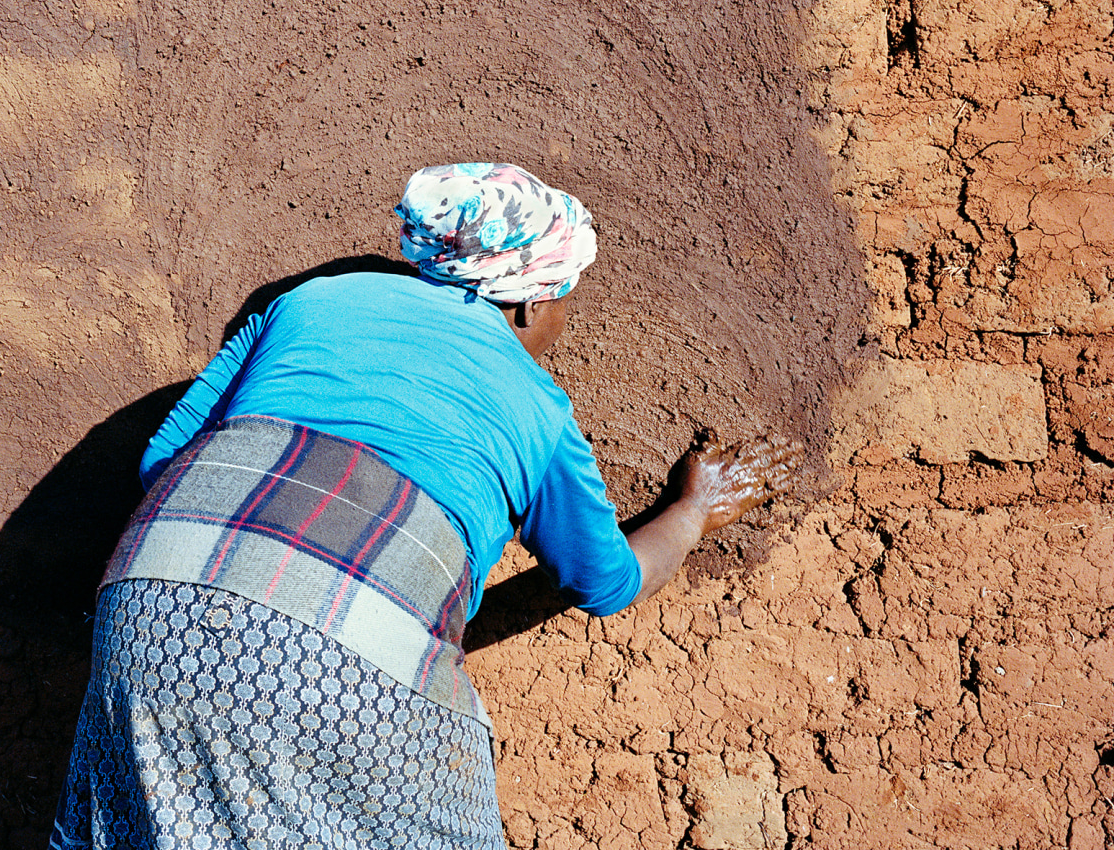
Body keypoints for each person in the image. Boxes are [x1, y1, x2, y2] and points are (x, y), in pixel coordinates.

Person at [50, 163, 802, 849]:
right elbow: (604, 583)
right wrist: (695, 510)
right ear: (528, 303)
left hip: (152, 600)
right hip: (332, 660)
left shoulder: (308, 301)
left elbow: (162, 460)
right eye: (564, 299)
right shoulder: (536, 410)